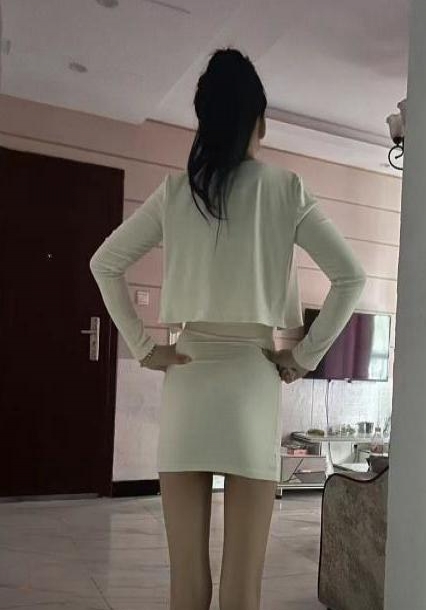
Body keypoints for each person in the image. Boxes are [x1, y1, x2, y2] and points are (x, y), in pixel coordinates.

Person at [89, 47, 367, 610]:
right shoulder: (287, 188)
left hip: (188, 376)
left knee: (186, 580)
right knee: (243, 585)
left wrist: (145, 347)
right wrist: (304, 357)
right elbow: (351, 278)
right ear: (259, 122)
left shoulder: (175, 192)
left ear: (205, 120)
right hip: (252, 380)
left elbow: (105, 263)